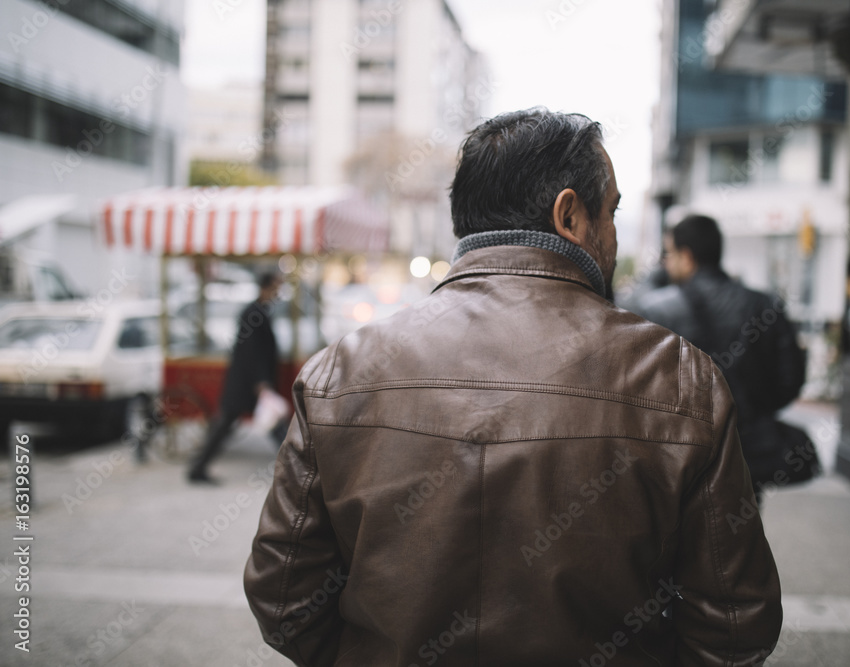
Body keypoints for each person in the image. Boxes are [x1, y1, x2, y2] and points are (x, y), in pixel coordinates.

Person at [244, 109, 782, 665]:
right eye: (613, 211)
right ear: (570, 214)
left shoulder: (342, 371)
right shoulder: (679, 378)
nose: (617, 233)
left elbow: (284, 599)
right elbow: (735, 625)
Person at [635, 215, 808, 503]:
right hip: (746, 455)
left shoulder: (659, 309)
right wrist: (750, 414)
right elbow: (791, 380)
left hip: (681, 459)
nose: (666, 262)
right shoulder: (764, 305)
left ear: (686, 256)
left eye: (669, 254)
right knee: (740, 537)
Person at [187, 271, 283, 484]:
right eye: (276, 287)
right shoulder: (253, 313)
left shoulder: (258, 311)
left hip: (249, 382)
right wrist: (261, 382)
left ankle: (198, 467)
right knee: (269, 424)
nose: (278, 292)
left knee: (264, 424)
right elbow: (250, 351)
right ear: (266, 287)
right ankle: (198, 467)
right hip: (248, 383)